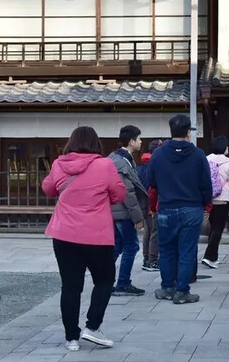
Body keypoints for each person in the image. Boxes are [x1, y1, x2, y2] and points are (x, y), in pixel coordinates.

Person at [42, 126, 126, 352]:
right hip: (96, 235)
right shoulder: (104, 165)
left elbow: (48, 189)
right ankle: (93, 326)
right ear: (96, 143)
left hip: (64, 234)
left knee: (70, 286)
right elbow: (119, 194)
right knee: (105, 280)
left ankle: (71, 338)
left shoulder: (59, 164)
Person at [148, 114, 212, 304]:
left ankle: (167, 287)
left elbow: (151, 182)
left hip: (166, 207)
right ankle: (182, 290)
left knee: (166, 250)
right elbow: (206, 185)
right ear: (187, 132)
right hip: (192, 207)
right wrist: (205, 204)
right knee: (187, 250)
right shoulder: (198, 154)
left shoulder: (158, 154)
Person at [109, 125, 148, 297]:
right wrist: (137, 217)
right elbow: (127, 192)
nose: (141, 142)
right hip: (123, 213)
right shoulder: (121, 162)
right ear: (132, 141)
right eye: (139, 139)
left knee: (117, 247)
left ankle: (105, 280)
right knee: (131, 247)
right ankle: (123, 283)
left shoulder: (120, 159)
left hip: (116, 211)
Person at [202, 136, 229, 269]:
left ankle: (213, 257)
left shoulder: (205, 160)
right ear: (223, 148)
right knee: (218, 229)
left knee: (213, 227)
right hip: (223, 199)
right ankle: (209, 256)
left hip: (209, 199)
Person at [138, 140, 162, 272]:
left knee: (148, 231)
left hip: (142, 204)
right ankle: (153, 260)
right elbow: (153, 188)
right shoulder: (155, 166)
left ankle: (146, 258)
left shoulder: (140, 167)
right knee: (155, 232)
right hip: (152, 203)